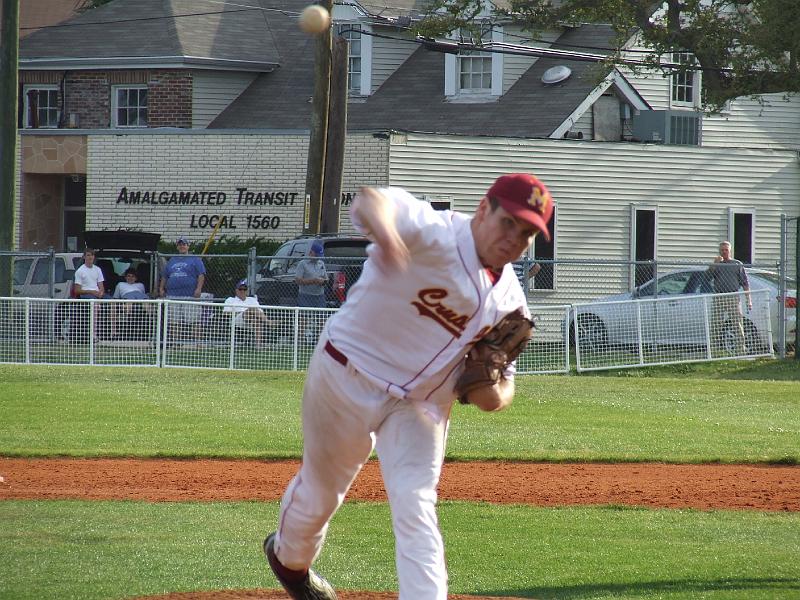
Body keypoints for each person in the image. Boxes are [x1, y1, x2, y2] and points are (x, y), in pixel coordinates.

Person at [262, 173, 553, 600]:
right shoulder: (434, 232)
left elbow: (502, 391)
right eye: (508, 222)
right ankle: (290, 562)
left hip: (420, 405)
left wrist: (491, 390)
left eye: (527, 232)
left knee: (416, 506)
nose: (515, 238)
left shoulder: (511, 301)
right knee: (321, 495)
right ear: (482, 209)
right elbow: (372, 202)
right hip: (347, 375)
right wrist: (389, 237)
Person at [159, 236, 206, 343]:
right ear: (177, 247)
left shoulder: (195, 259)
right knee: (174, 321)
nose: (182, 246)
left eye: (184, 244)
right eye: (180, 245)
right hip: (173, 295)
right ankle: (176, 343)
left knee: (194, 320)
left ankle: (197, 344)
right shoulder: (172, 260)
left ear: (188, 246)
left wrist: (198, 289)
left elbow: (201, 275)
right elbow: (165, 276)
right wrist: (161, 288)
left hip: (190, 295)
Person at [707, 240, 752, 353]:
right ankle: (714, 351)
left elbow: (745, 283)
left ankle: (740, 350)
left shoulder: (736, 264)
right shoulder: (717, 264)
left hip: (733, 296)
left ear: (730, 251)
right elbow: (706, 278)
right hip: (719, 296)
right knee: (716, 324)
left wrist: (748, 300)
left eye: (726, 250)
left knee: (737, 323)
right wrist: (713, 265)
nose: (724, 252)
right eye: (722, 250)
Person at [295, 240, 328, 344]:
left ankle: (320, 343)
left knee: (321, 320)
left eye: (320, 255)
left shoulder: (321, 263)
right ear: (311, 252)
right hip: (305, 295)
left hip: (319, 296)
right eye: (317, 254)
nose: (318, 257)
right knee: (303, 320)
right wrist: (313, 281)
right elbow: (298, 280)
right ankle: (299, 343)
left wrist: (323, 282)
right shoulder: (302, 264)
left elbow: (325, 278)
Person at [223, 279, 269, 348]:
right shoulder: (230, 300)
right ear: (236, 290)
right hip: (236, 321)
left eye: (245, 289)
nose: (242, 291)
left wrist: (250, 313)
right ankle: (268, 322)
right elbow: (225, 313)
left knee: (257, 321)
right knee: (250, 309)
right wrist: (241, 312)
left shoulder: (252, 299)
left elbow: (260, 312)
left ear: (247, 291)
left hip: (252, 320)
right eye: (240, 289)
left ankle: (258, 346)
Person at [111, 268, 150, 339]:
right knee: (129, 303)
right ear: (125, 277)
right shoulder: (120, 284)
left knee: (147, 305)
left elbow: (143, 295)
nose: (130, 278)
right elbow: (115, 298)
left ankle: (151, 329)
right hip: (127, 296)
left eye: (133, 276)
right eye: (128, 276)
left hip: (139, 296)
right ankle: (128, 326)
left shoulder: (140, 285)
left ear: (136, 278)